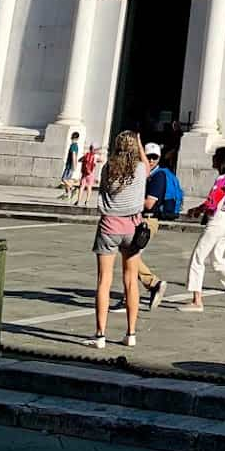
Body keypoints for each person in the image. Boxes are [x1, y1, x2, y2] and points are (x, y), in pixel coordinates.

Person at [91, 130, 148, 349]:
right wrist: (140, 145)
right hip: (133, 228)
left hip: (109, 225)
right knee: (131, 281)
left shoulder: (108, 168)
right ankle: (131, 333)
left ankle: (100, 335)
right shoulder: (141, 169)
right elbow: (147, 164)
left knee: (104, 281)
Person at [181, 147, 225, 311]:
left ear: (221, 161)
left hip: (217, 221)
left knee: (198, 257)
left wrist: (196, 210)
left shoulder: (222, 179)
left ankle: (197, 300)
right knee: (217, 259)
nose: (212, 159)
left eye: (215, 157)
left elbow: (211, 203)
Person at [136, 142, 184, 311]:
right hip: (141, 219)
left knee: (131, 258)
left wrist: (129, 201)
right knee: (131, 257)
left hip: (147, 221)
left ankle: (154, 283)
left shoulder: (158, 177)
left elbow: (149, 203)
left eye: (154, 157)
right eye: (148, 156)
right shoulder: (147, 175)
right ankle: (132, 294)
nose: (150, 160)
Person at [60, 131, 81, 199]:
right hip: (71, 165)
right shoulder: (76, 145)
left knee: (63, 179)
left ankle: (73, 188)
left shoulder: (73, 145)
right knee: (68, 180)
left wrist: (74, 164)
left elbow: (74, 155)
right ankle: (68, 194)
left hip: (70, 165)